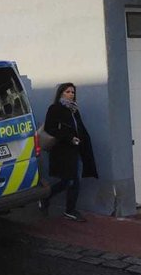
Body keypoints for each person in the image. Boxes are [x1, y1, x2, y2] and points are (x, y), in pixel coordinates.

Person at [41, 82, 98, 221]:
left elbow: (79, 127)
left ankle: (46, 198)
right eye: (68, 92)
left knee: (68, 180)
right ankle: (70, 210)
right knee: (72, 180)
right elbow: (50, 128)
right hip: (62, 150)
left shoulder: (74, 110)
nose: (71, 94)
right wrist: (69, 138)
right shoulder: (55, 108)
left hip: (75, 149)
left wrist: (82, 141)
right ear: (61, 93)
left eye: (73, 92)